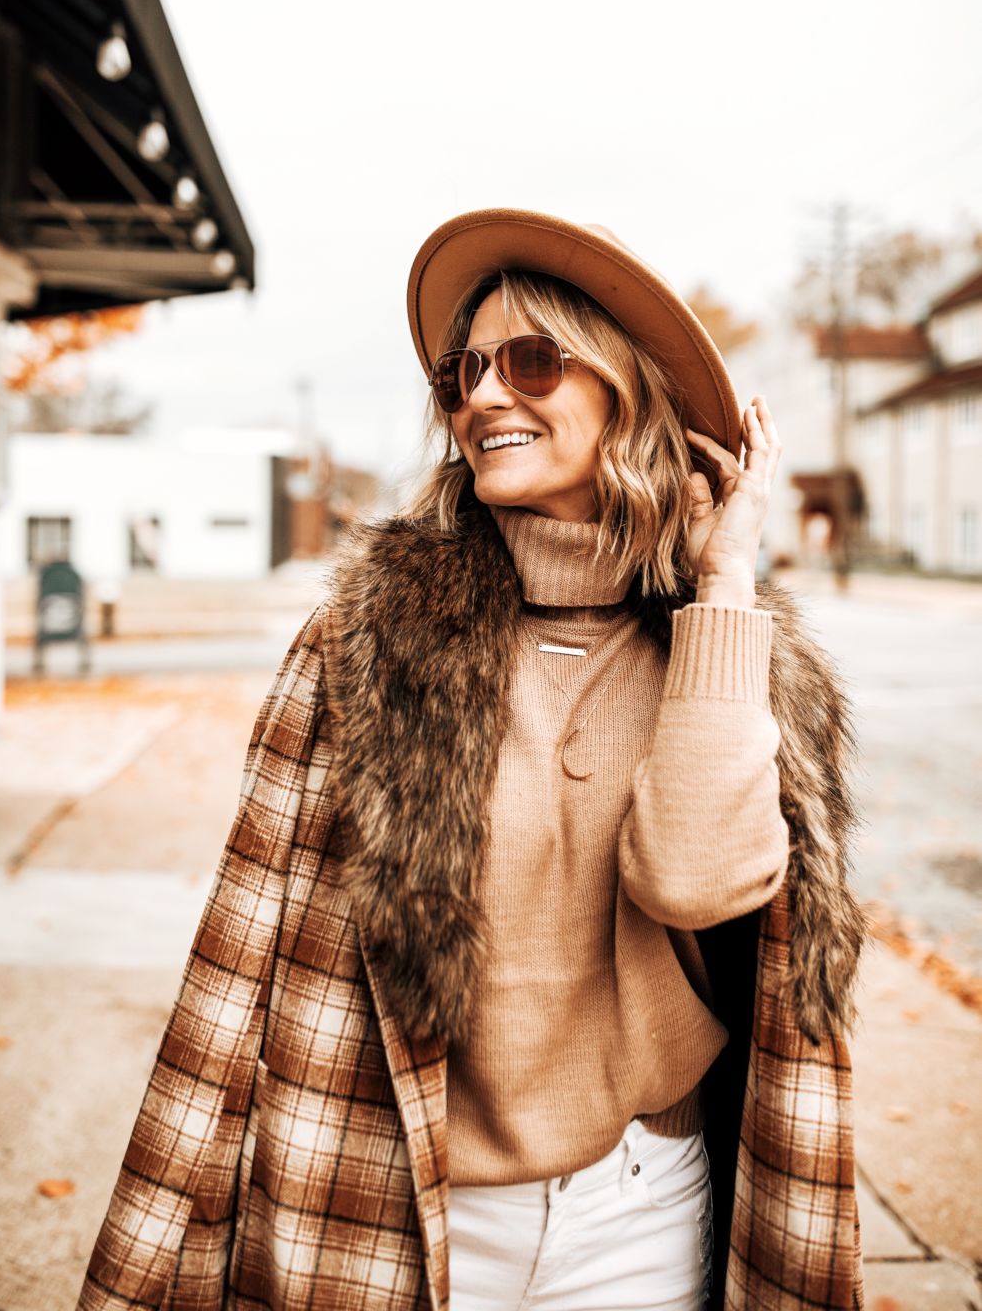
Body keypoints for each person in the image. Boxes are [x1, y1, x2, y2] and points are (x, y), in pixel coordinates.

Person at [76, 209, 865, 1311]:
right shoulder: (368, 640)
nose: (487, 395)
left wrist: (724, 584)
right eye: (465, 372)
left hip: (638, 1216)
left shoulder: (730, 658)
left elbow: (690, 878)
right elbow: (234, 964)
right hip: (392, 1205)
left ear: (626, 393)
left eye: (532, 361)